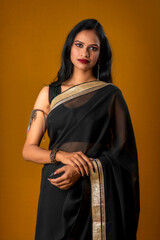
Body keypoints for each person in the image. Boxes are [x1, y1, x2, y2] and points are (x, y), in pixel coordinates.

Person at [22, 19, 140, 240]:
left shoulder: (111, 95)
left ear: (100, 55)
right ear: (69, 48)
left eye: (93, 48)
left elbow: (124, 155)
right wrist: (62, 156)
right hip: (56, 186)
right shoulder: (49, 93)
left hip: (94, 193)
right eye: (79, 45)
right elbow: (28, 150)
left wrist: (83, 168)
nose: (84, 52)